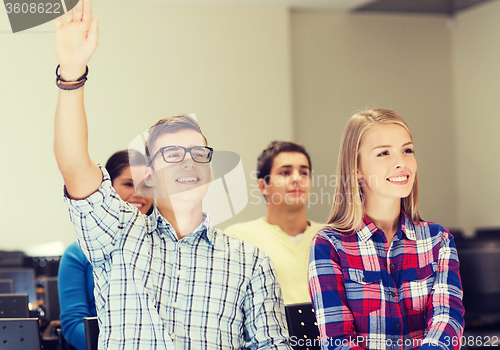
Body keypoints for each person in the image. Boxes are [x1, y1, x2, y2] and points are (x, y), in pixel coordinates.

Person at [54, 1, 291, 349]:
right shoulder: (120, 236)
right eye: (172, 155)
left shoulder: (250, 261)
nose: (188, 163)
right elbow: (75, 166)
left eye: (198, 154)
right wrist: (71, 74)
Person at [308, 109, 464, 350]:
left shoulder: (439, 240)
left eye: (407, 150)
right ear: (356, 168)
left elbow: (447, 320)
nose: (401, 162)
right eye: (384, 153)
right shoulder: (328, 245)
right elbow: (338, 340)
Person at [58, 150, 153, 350]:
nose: (138, 193)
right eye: (128, 184)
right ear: (108, 188)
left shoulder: (167, 244)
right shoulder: (77, 253)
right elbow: (73, 323)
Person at [225, 141, 321, 305]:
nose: (297, 179)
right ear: (263, 186)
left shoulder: (332, 236)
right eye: (285, 172)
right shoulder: (237, 239)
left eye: (304, 173)